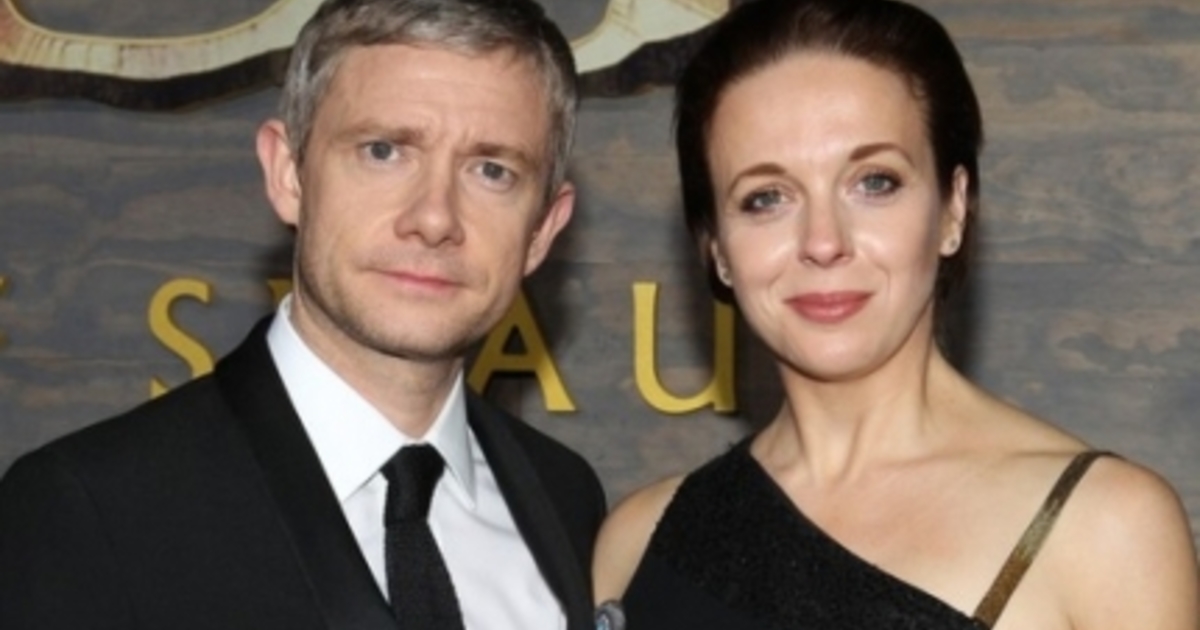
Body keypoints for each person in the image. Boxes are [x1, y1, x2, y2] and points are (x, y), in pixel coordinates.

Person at [592, 0, 1200, 628]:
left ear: (953, 209)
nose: (823, 241)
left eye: (874, 182)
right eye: (766, 198)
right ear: (716, 247)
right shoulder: (635, 546)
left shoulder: (1102, 529)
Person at [0, 1, 606, 629]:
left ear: (542, 229)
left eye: (492, 171)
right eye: (383, 151)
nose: (433, 218)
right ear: (288, 174)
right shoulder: (90, 509)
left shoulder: (565, 498)